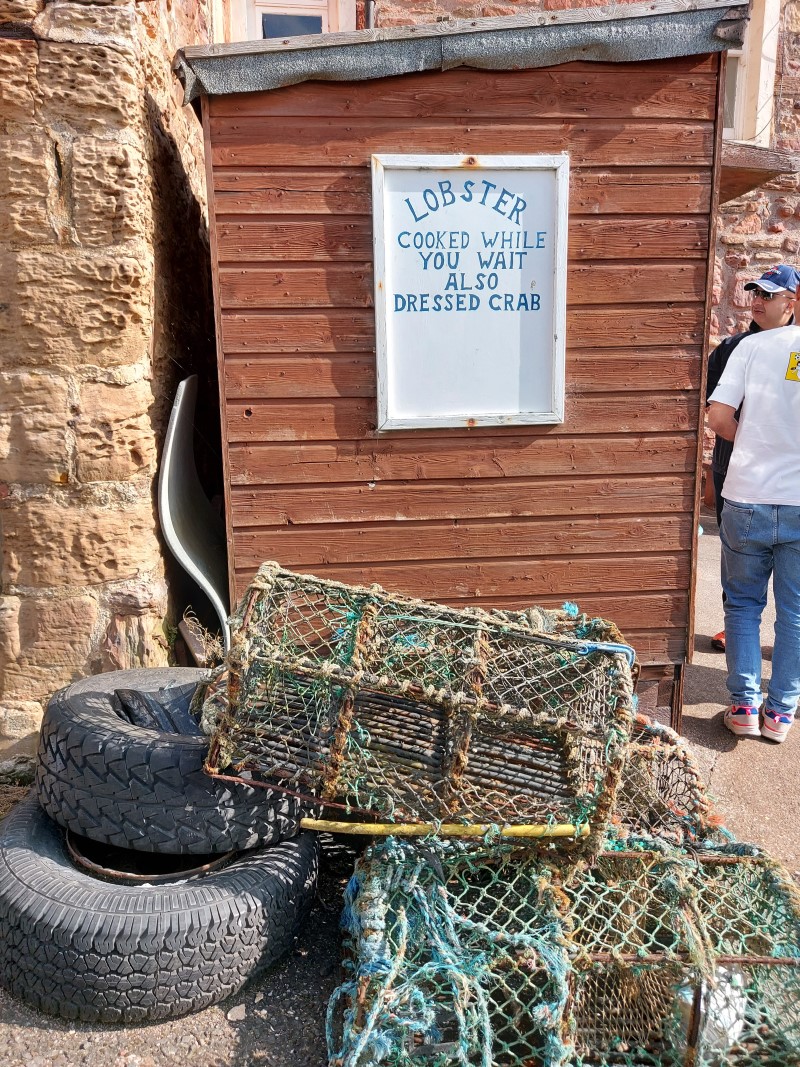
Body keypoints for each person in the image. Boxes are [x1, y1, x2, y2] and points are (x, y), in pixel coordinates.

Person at [707, 272, 800, 743]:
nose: (759, 301)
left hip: (748, 494)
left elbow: (720, 416)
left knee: (743, 605)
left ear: (793, 299)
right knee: (796, 612)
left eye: (769, 294)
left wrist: (754, 445)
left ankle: (744, 706)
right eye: (756, 294)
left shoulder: (749, 347)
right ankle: (781, 714)